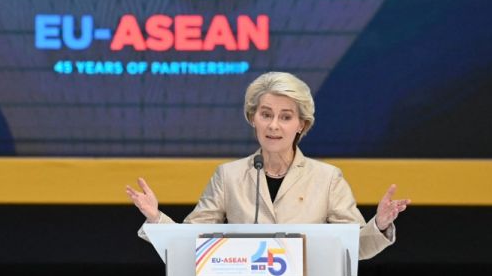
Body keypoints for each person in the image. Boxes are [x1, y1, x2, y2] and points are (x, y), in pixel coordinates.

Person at [126, 71, 410, 259]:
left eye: (285, 117)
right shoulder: (229, 176)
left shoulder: (327, 178)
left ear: (301, 124)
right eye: (266, 114)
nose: (274, 125)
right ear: (253, 118)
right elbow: (191, 242)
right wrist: (156, 218)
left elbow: (355, 247)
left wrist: (379, 224)